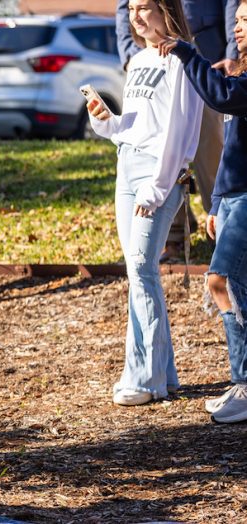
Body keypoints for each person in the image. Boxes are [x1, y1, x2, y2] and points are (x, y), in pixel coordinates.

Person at [89, 0, 203, 406]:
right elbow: (132, 127)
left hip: (160, 174)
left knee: (141, 267)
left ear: (166, 9)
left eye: (145, 7)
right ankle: (165, 374)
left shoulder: (183, 60)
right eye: (132, 7)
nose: (136, 16)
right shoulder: (137, 61)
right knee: (139, 272)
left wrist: (159, 186)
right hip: (127, 167)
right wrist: (106, 121)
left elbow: (179, 130)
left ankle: (144, 379)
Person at [159, 0, 247, 423]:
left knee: (221, 280)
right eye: (238, 20)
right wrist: (215, 203)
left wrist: (186, 51)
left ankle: (245, 381)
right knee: (236, 288)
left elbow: (220, 97)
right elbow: (232, 151)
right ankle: (243, 382)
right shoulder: (240, 74)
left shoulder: (240, 84)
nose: (239, 27)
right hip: (232, 198)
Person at [117, 0, 240, 260]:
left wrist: (232, 52)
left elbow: (232, 4)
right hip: (154, 58)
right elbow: (125, 7)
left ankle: (221, 228)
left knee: (208, 152)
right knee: (159, 147)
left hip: (208, 58)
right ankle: (173, 239)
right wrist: (130, 53)